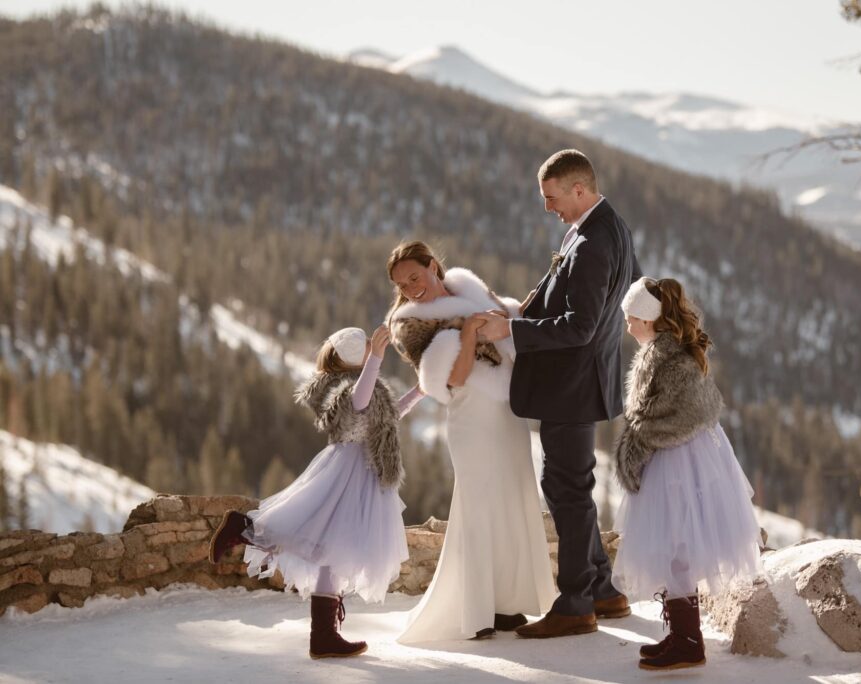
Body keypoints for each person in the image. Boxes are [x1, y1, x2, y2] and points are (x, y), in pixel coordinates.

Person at [476, 149, 642, 638]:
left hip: (572, 386)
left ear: (578, 189)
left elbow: (581, 326)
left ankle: (575, 605)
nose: (549, 209)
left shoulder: (592, 241)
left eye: (552, 199)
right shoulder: (610, 226)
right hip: (584, 380)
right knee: (568, 485)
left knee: (568, 491)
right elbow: (623, 290)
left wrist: (512, 331)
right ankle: (604, 591)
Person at [208, 325, 421, 659]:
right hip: (349, 471)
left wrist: (419, 391)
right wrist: (375, 360)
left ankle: (323, 636)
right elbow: (358, 403)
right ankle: (244, 529)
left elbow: (388, 417)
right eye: (365, 346)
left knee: (333, 550)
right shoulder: (348, 389)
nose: (371, 347)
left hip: (362, 471)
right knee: (316, 538)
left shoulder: (363, 384)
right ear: (356, 356)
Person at [385, 240, 556, 643]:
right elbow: (452, 379)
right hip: (470, 420)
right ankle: (474, 611)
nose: (411, 289)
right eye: (402, 284)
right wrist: (467, 334)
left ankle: (505, 604)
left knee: (512, 501)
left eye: (415, 277)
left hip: (505, 414)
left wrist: (514, 314)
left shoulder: (469, 290)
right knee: (477, 508)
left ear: (433, 266)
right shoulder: (409, 325)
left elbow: (507, 327)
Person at [613, 277, 762, 670]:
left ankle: (688, 641)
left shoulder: (669, 359)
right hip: (682, 455)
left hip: (680, 460)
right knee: (676, 547)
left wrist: (639, 443)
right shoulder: (661, 353)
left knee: (678, 545)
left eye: (631, 318)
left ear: (648, 320)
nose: (627, 325)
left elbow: (674, 417)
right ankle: (683, 634)